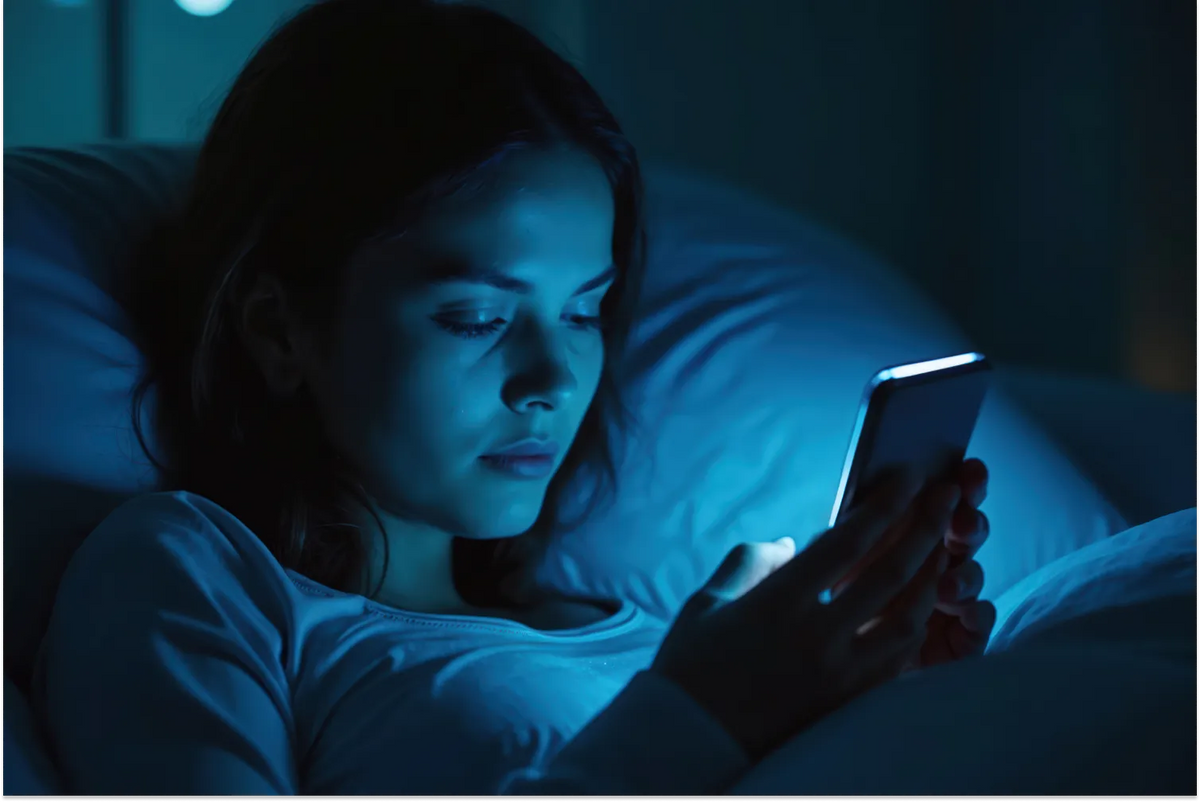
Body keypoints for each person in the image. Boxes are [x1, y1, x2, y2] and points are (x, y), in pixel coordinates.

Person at [32, 0, 996, 794]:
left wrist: (883, 715)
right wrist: (699, 719)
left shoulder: (629, 623)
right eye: (476, 318)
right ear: (281, 329)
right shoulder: (201, 578)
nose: (553, 381)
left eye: (585, 312)